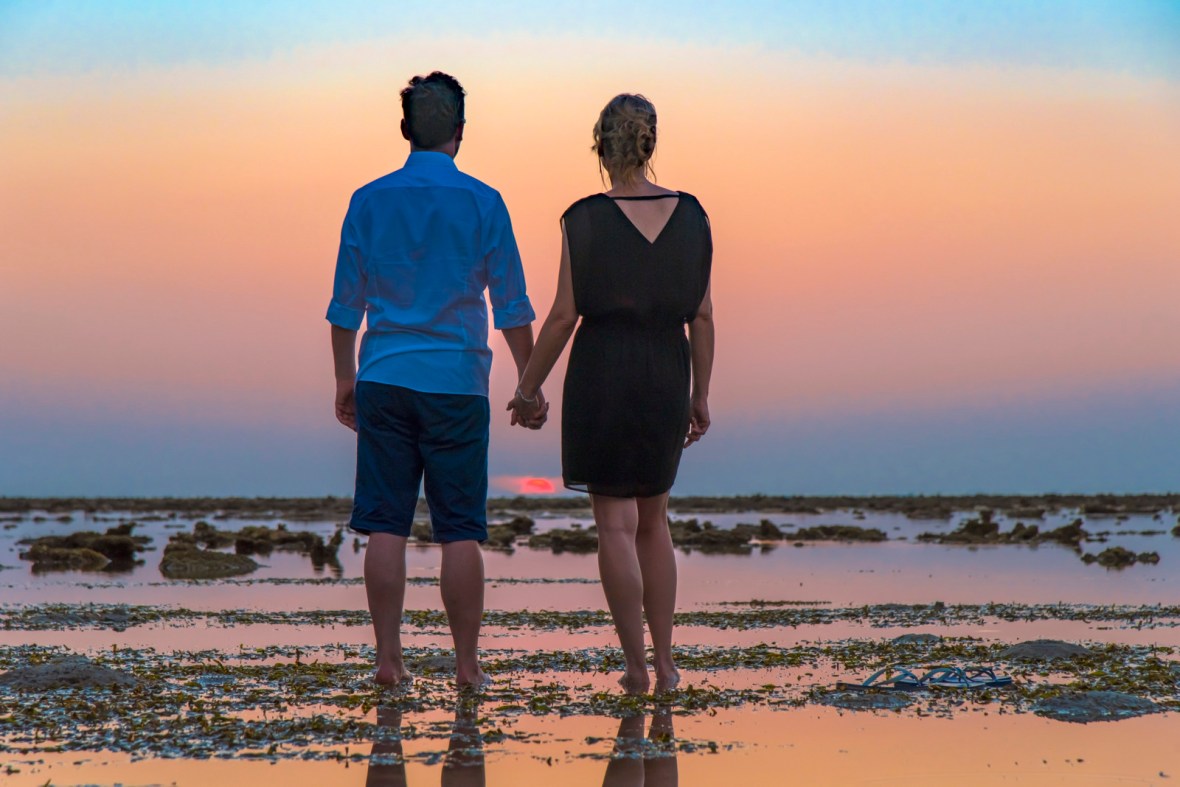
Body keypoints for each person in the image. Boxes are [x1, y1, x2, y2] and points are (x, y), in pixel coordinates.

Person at [328, 71, 543, 688]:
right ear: (460, 132)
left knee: (385, 525)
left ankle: (388, 661)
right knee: (459, 532)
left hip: (386, 377)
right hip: (456, 382)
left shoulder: (367, 200)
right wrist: (528, 387)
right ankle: (467, 666)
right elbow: (513, 308)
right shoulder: (484, 201)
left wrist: (346, 382)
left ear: (404, 129)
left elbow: (345, 309)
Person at [509, 94, 714, 694]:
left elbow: (563, 316)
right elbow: (701, 315)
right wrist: (701, 394)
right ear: (651, 143)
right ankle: (669, 663)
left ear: (601, 146)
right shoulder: (695, 215)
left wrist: (527, 389)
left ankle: (635, 666)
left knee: (616, 528)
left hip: (603, 371)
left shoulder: (583, 218)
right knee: (656, 521)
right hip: (667, 370)